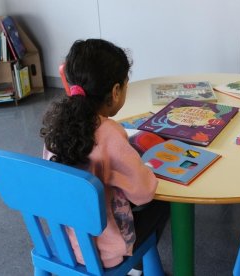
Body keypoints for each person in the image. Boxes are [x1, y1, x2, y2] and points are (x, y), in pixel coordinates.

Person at [40, 39, 169, 269]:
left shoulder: (56, 128)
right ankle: (138, 267)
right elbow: (143, 193)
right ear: (116, 91)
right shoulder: (109, 134)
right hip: (105, 253)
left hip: (65, 241)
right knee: (161, 206)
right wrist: (146, 169)